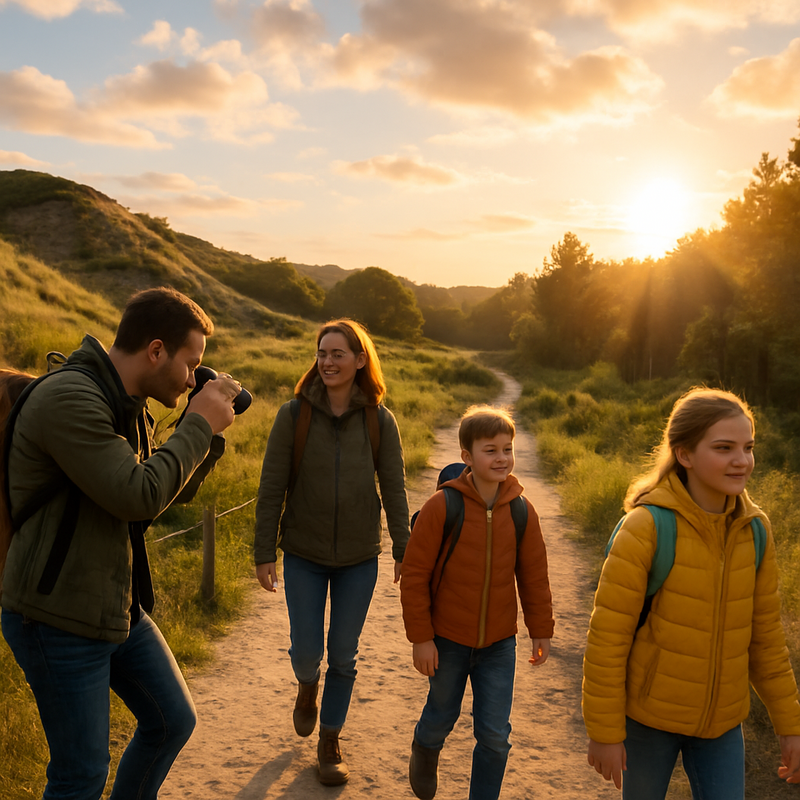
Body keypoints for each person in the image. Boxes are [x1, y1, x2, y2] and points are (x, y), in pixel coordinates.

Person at [1, 287, 238, 800]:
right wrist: (197, 423)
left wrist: (209, 435)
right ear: (156, 350)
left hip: (112, 601)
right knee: (80, 776)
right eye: (190, 363)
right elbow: (137, 494)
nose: (193, 376)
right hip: (55, 613)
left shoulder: (127, 403)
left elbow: (160, 493)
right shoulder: (71, 397)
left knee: (171, 721)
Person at [582, 387, 800, 799]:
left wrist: (791, 726)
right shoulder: (646, 528)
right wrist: (605, 732)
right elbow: (607, 640)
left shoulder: (755, 531)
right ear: (684, 454)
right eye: (723, 447)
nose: (742, 460)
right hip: (648, 722)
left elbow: (767, 640)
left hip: (722, 727)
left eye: (748, 447)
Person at [254, 318, 410, 786]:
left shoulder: (379, 419)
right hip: (303, 550)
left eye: (338, 353)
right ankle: (306, 686)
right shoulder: (293, 414)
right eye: (322, 353)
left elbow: (395, 487)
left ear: (360, 359)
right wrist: (264, 550)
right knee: (307, 652)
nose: (328, 362)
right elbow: (271, 486)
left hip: (360, 557)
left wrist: (404, 548)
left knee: (344, 653)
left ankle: (330, 740)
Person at [400, 405, 554, 800]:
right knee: (439, 718)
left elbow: (534, 576)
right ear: (467, 457)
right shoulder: (442, 507)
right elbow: (414, 577)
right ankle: (424, 747)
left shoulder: (521, 511)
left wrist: (541, 630)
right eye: (490, 450)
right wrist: (421, 638)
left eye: (507, 449)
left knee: (495, 736)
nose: (501, 458)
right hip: (447, 640)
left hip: (500, 644)